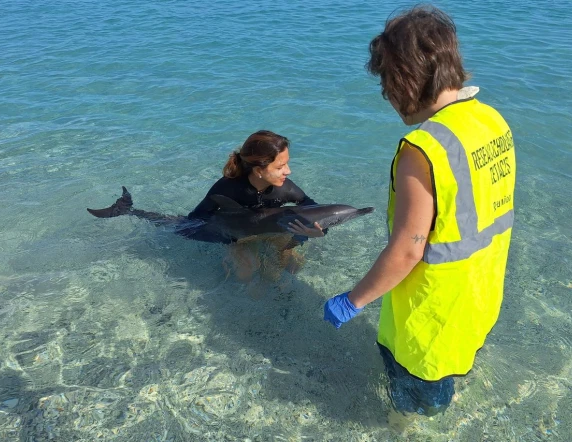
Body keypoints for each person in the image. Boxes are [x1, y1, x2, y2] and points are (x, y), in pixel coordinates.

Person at [323, 5, 516, 418]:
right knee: (450, 372)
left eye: (387, 83)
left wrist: (352, 301)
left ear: (405, 77)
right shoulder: (490, 120)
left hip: (428, 315)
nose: (386, 96)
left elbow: (408, 249)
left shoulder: (423, 149)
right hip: (479, 295)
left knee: (416, 400)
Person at [182, 130, 326, 280]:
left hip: (271, 232)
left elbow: (317, 211)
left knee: (293, 267)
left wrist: (318, 232)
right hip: (239, 237)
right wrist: (229, 238)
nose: (288, 171)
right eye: (280, 167)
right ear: (258, 170)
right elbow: (197, 218)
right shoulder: (227, 188)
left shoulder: (285, 189)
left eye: (287, 163)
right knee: (247, 271)